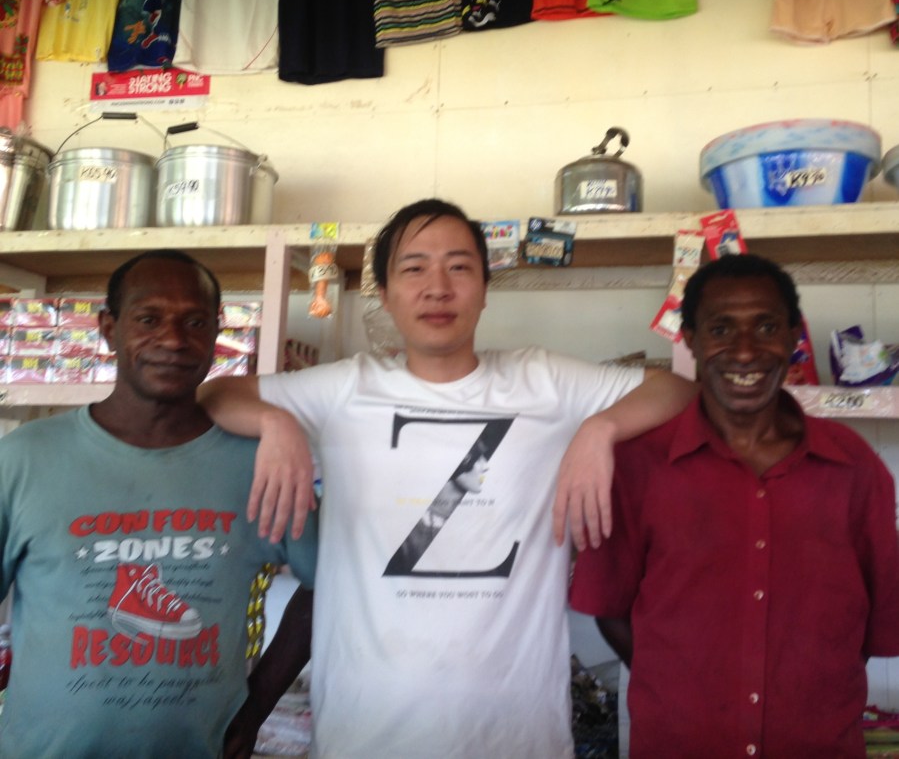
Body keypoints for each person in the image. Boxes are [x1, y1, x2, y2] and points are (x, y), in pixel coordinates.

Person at [198, 198, 698, 758]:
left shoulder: (544, 381)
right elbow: (215, 394)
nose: (437, 288)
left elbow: (678, 390)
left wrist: (600, 428)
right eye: (414, 269)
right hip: (362, 738)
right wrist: (276, 421)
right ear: (385, 293)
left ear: (484, 289)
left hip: (519, 739)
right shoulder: (345, 388)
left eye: (459, 267)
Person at [569, 253, 899, 758]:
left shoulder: (853, 466)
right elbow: (610, 610)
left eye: (765, 327)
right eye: (721, 329)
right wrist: (682, 685)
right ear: (691, 340)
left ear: (794, 335)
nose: (745, 351)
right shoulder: (638, 467)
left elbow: (874, 623)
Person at [0, 249, 317, 758]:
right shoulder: (21, 460)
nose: (173, 340)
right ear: (108, 329)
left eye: (195, 322)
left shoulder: (260, 465)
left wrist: (257, 704)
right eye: (149, 319)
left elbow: (327, 584)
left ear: (217, 332)